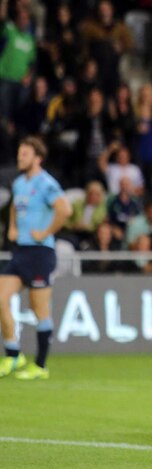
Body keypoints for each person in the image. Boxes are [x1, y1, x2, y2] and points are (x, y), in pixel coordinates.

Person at [0, 137, 71, 380]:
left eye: (25, 154)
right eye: (20, 153)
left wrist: (46, 232)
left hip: (41, 253)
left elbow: (65, 210)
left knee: (39, 309)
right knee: (1, 298)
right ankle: (13, 354)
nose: (20, 157)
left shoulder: (46, 183)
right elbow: (13, 207)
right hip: (21, 251)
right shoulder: (19, 183)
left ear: (37, 158)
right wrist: (11, 227)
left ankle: (40, 365)